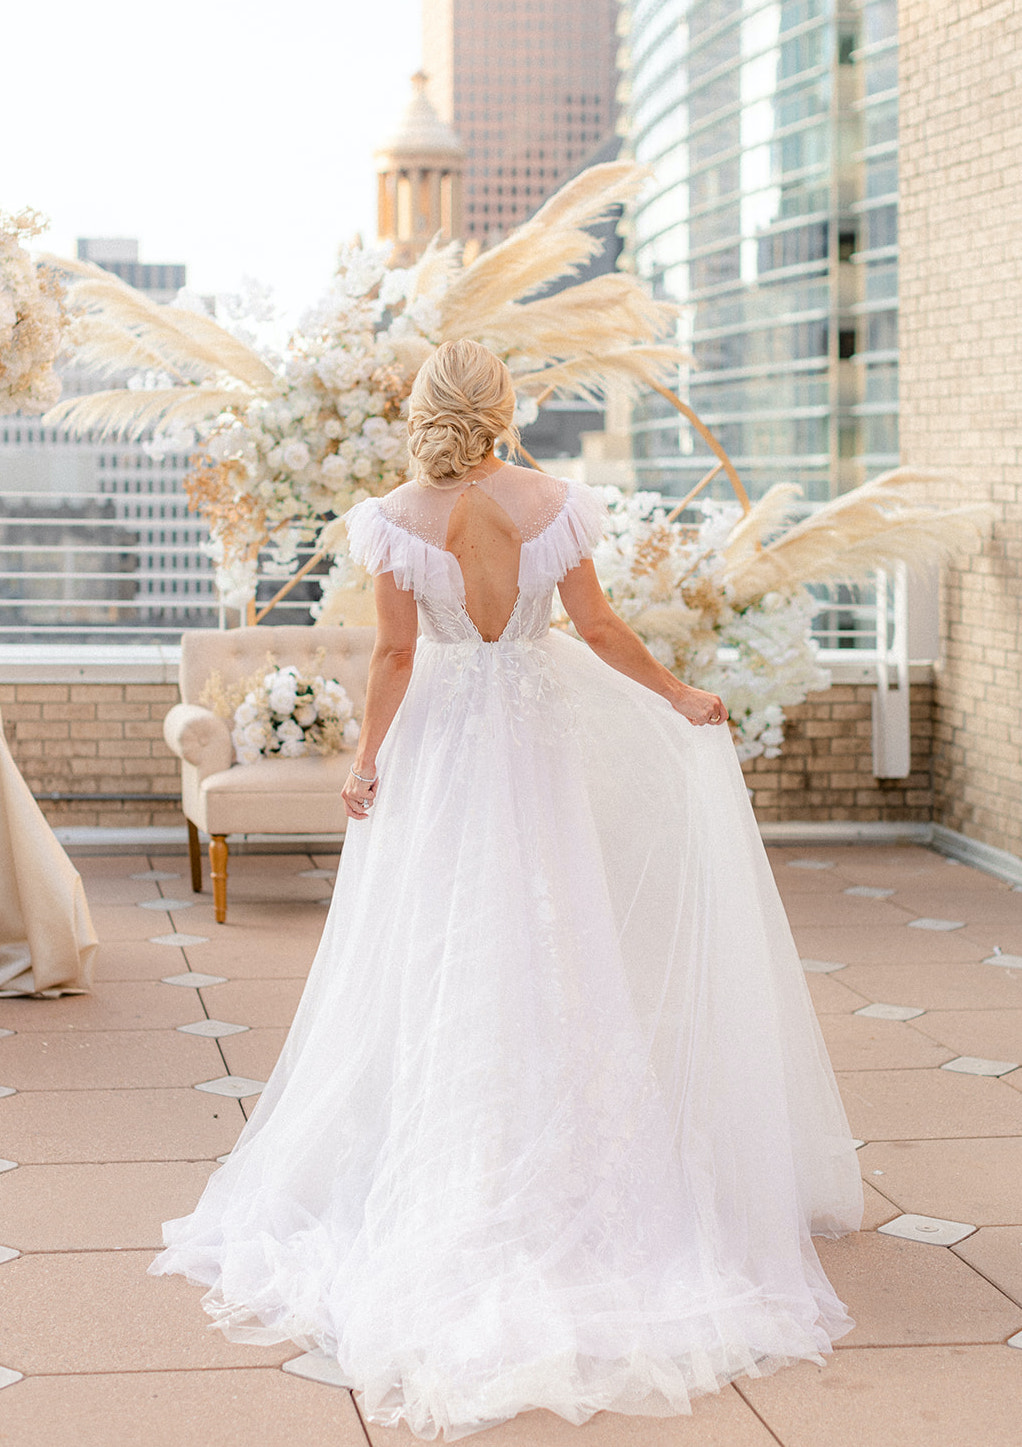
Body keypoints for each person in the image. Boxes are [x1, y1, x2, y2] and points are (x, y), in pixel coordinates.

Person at [151, 339, 863, 1441]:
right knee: (552, 932)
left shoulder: (394, 516)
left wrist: (365, 760)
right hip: (527, 747)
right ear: (502, 409)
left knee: (432, 945)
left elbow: (391, 659)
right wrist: (677, 694)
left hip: (442, 749)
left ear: (426, 411)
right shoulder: (552, 504)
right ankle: (569, 1171)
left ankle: (441, 1154)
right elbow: (601, 629)